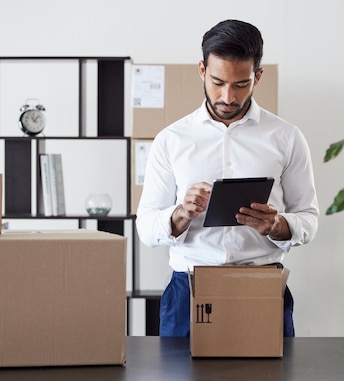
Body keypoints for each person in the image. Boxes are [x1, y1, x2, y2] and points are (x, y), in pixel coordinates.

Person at [135, 19, 319, 337]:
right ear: (202, 70)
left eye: (240, 85)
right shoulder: (171, 139)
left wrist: (277, 226)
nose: (228, 97)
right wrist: (180, 214)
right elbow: (146, 228)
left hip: (262, 284)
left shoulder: (286, 137)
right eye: (218, 82)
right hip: (188, 287)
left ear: (257, 76)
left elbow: (309, 218)